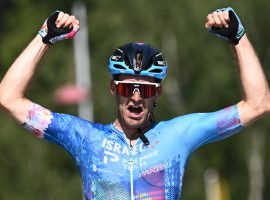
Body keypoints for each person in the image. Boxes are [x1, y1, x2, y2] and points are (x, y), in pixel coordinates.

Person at [0, 7, 269, 200]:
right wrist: (44, 37)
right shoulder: (85, 138)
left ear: (158, 93)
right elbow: (8, 97)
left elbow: (258, 104)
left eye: (146, 90)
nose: (137, 98)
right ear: (113, 89)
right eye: (128, 88)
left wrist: (239, 38)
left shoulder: (178, 135)